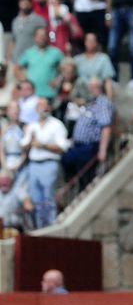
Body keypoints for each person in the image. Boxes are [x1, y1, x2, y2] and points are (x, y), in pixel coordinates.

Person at [21, 97, 69, 228]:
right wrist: (30, 141)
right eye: (41, 105)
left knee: (48, 199)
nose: (44, 108)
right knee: (36, 199)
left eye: (46, 105)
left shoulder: (57, 125)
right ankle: (40, 227)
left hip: (49, 163)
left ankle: (50, 226)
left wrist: (43, 146)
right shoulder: (32, 125)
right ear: (36, 109)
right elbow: (24, 144)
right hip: (34, 164)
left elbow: (63, 147)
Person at [61, 76, 114, 185]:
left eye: (91, 87)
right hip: (79, 146)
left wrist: (102, 150)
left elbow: (106, 127)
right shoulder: (91, 103)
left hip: (89, 146)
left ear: (98, 88)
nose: (89, 90)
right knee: (67, 161)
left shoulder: (103, 104)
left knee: (85, 176)